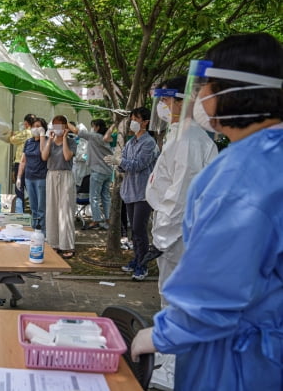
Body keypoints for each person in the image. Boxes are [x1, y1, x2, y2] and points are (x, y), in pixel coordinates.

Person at [131, 33, 283, 391]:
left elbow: (215, 290)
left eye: (206, 86)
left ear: (233, 91)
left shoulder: (243, 175)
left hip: (238, 360)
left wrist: (162, 335)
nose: (199, 97)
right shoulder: (263, 158)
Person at [146, 76, 218, 307]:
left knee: (174, 294)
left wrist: (162, 237)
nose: (162, 106)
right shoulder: (182, 135)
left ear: (183, 101)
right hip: (178, 228)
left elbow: (181, 194)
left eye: (166, 99)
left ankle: (171, 339)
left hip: (177, 232)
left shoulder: (187, 139)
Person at [105, 107, 158, 280]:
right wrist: (117, 162)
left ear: (145, 122)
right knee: (133, 231)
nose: (133, 121)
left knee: (139, 229)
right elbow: (125, 166)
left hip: (143, 193)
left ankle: (143, 265)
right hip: (129, 191)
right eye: (132, 118)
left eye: (136, 118)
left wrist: (121, 161)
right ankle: (136, 260)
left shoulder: (149, 143)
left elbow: (137, 165)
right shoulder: (130, 142)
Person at [41, 115, 77, 258]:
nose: (58, 128)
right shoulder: (50, 140)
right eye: (55, 124)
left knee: (66, 210)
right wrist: (50, 140)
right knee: (52, 209)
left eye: (60, 125)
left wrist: (65, 140)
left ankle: (67, 245)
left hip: (66, 175)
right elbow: (44, 157)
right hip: (51, 175)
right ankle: (53, 243)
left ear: (65, 126)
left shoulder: (72, 142)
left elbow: (67, 156)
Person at [69, 119, 113, 230]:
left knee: (94, 197)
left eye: (93, 126)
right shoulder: (107, 139)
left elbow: (76, 131)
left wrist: (65, 122)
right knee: (106, 196)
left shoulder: (94, 137)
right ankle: (108, 219)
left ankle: (96, 220)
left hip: (97, 171)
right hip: (108, 171)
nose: (92, 128)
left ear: (97, 127)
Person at [16, 117, 48, 232]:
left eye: (38, 126)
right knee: (33, 207)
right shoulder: (28, 142)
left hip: (42, 178)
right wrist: (19, 177)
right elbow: (23, 160)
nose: (36, 128)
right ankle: (35, 229)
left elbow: (43, 154)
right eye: (34, 126)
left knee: (41, 208)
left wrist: (42, 136)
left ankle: (42, 231)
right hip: (29, 177)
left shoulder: (47, 141)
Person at [9, 114, 36, 213]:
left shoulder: (25, 132)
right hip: (32, 164)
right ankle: (35, 211)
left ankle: (20, 212)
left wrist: (12, 134)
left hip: (20, 162)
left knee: (19, 188)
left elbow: (12, 139)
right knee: (30, 188)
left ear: (26, 123)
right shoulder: (35, 133)